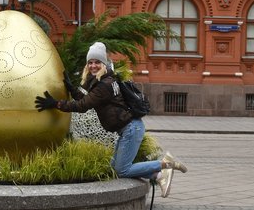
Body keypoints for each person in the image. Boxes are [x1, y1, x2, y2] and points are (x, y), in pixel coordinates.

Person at [33, 42, 187, 196]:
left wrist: (55, 104)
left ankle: (165, 164)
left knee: (122, 170)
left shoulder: (104, 85)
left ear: (104, 64)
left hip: (131, 129)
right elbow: (82, 96)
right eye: (90, 62)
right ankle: (158, 176)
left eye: (97, 62)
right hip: (127, 129)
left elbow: (82, 106)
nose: (93, 66)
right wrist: (70, 87)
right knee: (116, 167)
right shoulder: (98, 80)